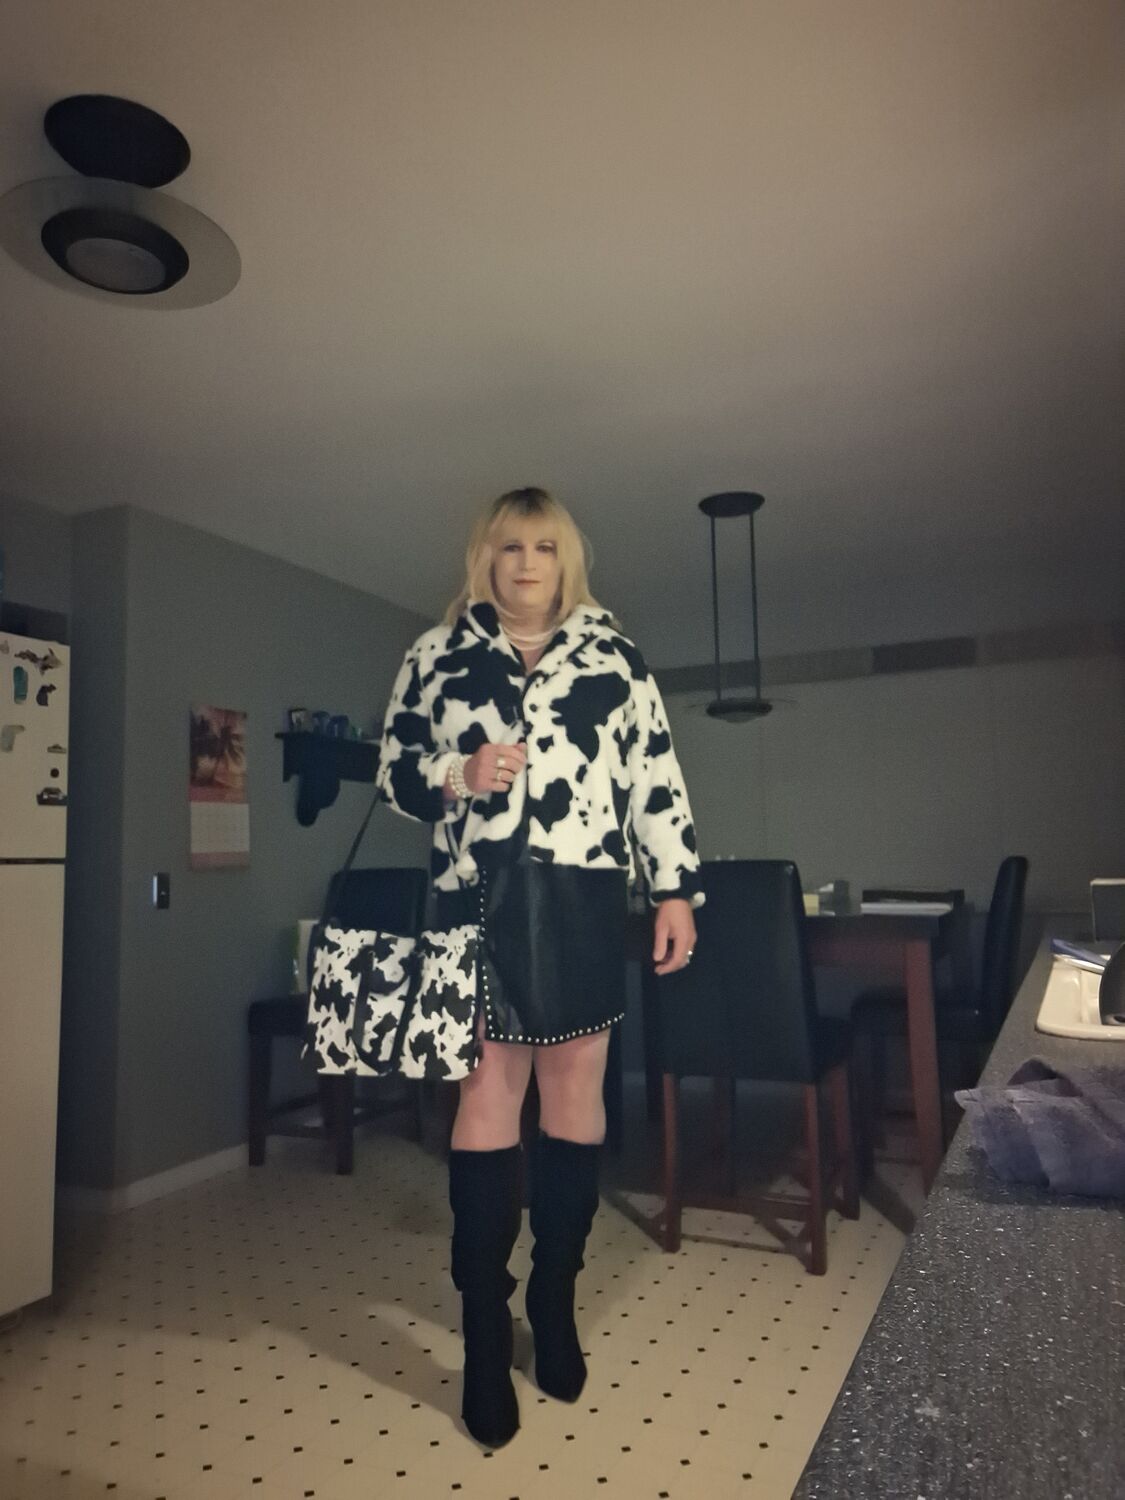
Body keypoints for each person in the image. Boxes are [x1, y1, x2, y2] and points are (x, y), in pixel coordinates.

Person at [376, 487, 702, 1448]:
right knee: (485, 1097)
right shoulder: (435, 655)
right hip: (474, 894)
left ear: (568, 560)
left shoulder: (615, 656)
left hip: (583, 897)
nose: (526, 563)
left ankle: (553, 1301)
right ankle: (485, 1333)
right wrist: (458, 774)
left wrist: (674, 888)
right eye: (509, 545)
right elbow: (392, 772)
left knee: (574, 1098)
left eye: (544, 547)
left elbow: (653, 774)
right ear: (484, 557)